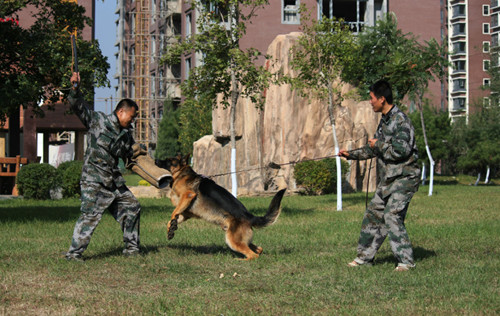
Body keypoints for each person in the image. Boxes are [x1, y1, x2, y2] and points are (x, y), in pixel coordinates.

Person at [339, 79, 420, 271]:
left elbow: (401, 151)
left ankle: (406, 262)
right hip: (389, 180)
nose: (370, 102)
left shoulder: (401, 120)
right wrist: (350, 154)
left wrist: (379, 145)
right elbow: (373, 149)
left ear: (382, 99)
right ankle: (364, 258)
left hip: (405, 178)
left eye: (372, 98)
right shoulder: (384, 121)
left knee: (391, 215)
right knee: (373, 214)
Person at [64, 72, 144, 261]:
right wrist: (75, 88)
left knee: (132, 206)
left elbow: (129, 157)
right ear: (121, 112)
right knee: (89, 217)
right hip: (94, 181)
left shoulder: (126, 135)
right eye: (131, 117)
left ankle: (132, 249)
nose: (132, 121)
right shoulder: (98, 121)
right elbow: (78, 106)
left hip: (113, 182)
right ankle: (74, 254)